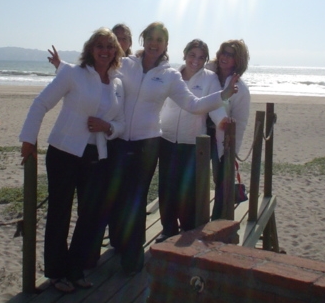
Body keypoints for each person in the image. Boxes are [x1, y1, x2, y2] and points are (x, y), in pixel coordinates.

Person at [108, 22, 238, 274]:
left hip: (148, 143)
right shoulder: (126, 64)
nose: (154, 43)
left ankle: (133, 259)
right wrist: (64, 69)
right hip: (121, 141)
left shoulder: (170, 76)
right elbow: (101, 77)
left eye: (160, 39)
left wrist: (222, 96)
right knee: (117, 196)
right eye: (151, 38)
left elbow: (194, 104)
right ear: (143, 40)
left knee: (137, 198)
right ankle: (120, 243)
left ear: (166, 44)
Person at [19, 28, 125, 294]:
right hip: (64, 152)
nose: (105, 51)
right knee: (60, 214)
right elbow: (41, 103)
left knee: (89, 216)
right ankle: (57, 272)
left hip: (95, 155)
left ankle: (75, 270)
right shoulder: (73, 74)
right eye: (100, 45)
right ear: (91, 49)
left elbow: (120, 122)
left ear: (116, 51)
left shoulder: (117, 83)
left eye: (110, 46)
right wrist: (29, 140)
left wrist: (108, 127)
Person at [157, 39, 224, 242]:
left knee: (187, 189)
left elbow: (215, 104)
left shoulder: (210, 78)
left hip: (193, 142)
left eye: (201, 57)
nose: (196, 60)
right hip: (166, 138)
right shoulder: (172, 75)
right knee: (167, 186)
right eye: (192, 55)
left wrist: (222, 121)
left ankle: (188, 229)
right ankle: (168, 229)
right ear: (185, 54)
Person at [207, 39, 251, 220]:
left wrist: (232, 150)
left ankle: (219, 219)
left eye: (230, 54)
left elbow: (240, 122)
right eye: (223, 52)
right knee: (194, 177)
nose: (224, 57)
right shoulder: (206, 74)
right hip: (199, 133)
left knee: (221, 180)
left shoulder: (241, 89)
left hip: (222, 138)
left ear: (238, 60)